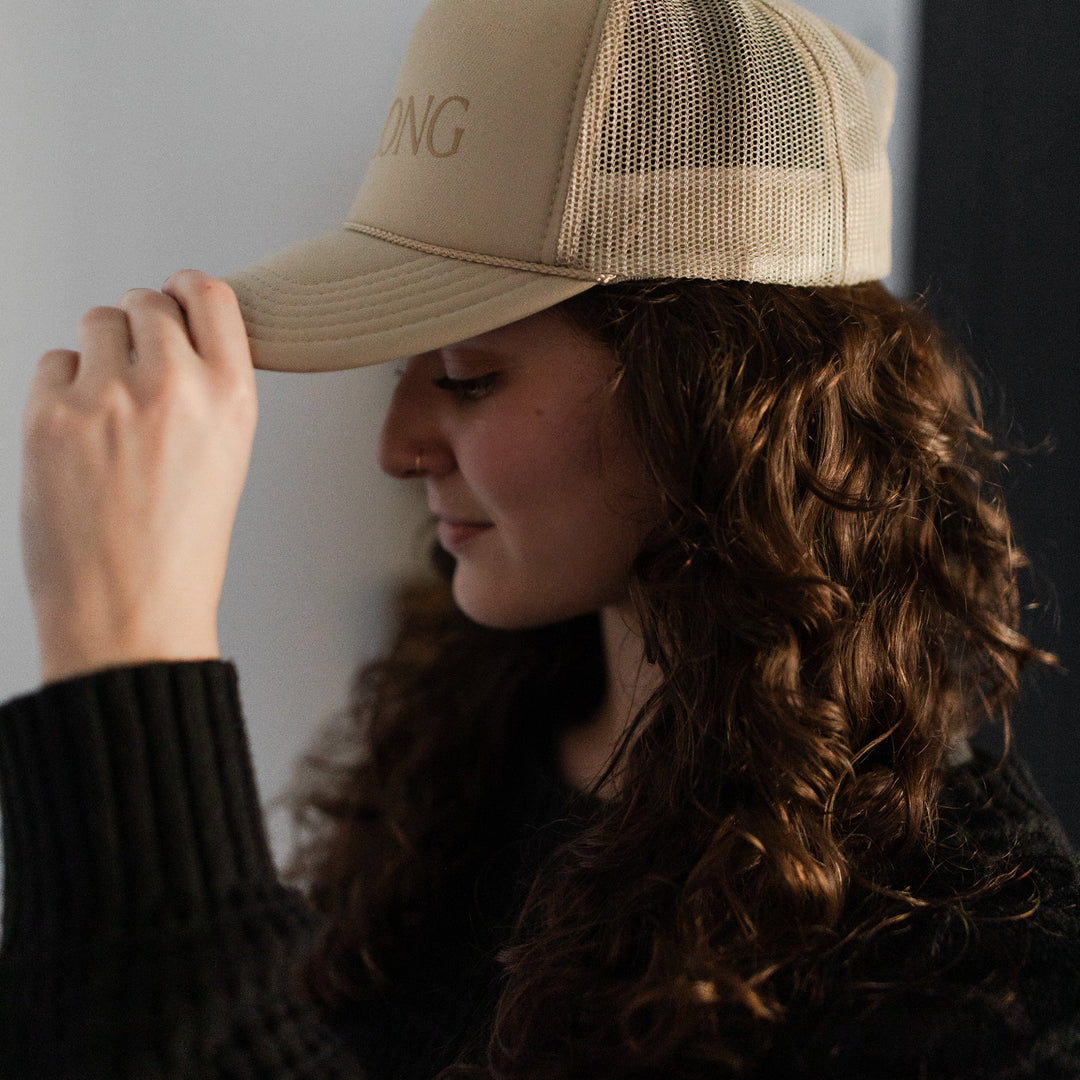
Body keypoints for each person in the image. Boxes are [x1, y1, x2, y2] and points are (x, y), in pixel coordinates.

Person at [2, 0, 1078, 1077]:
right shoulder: (478, 748)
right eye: (398, 364)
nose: (397, 446)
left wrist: (129, 653)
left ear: (714, 402)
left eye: (468, 377)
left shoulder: (974, 974)